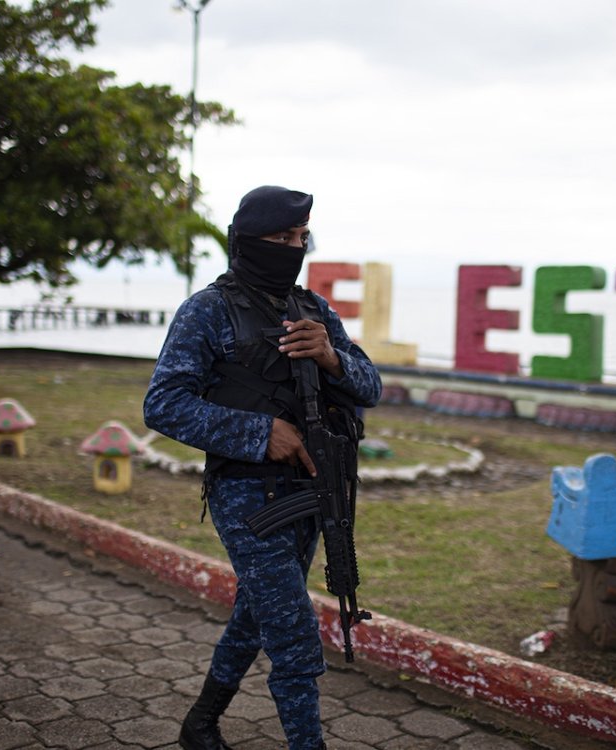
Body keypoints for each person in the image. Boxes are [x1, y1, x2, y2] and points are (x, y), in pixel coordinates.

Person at [144, 186, 382, 750]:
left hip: (312, 491)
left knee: (255, 616)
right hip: (247, 498)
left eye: (301, 239)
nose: (294, 249)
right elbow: (163, 403)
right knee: (295, 639)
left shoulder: (313, 309)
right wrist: (259, 433)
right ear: (249, 243)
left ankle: (199, 724)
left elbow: (370, 387)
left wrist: (331, 357)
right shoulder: (207, 311)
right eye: (281, 239)